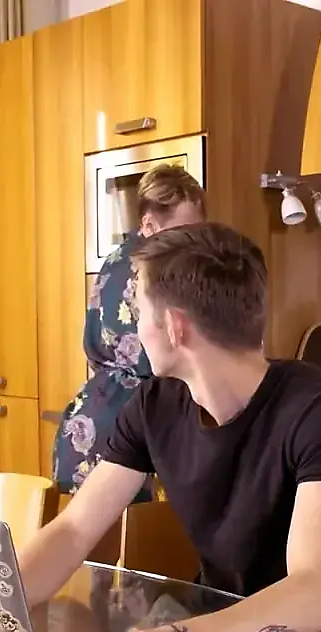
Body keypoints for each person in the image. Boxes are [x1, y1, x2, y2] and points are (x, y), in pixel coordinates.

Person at [20, 223, 321, 632]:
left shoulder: (319, 409)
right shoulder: (155, 404)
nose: (135, 329)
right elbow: (74, 529)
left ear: (175, 326)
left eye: (140, 312)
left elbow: (313, 591)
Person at [52, 165, 206, 499]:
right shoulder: (156, 269)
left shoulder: (115, 259)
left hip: (88, 419)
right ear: (149, 224)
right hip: (127, 436)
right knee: (132, 531)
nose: (192, 243)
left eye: (197, 231)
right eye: (183, 232)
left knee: (87, 530)